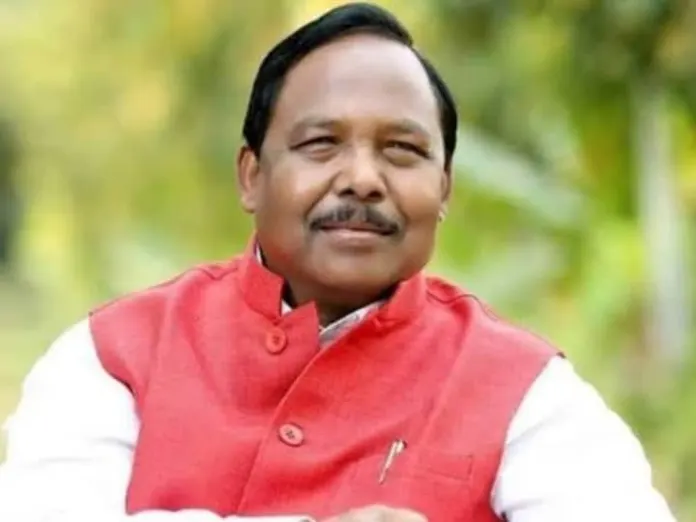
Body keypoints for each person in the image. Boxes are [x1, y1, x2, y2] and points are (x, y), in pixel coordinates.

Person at [0, 3, 677, 522]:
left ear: (443, 190)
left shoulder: (525, 389)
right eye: (321, 144)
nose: (362, 179)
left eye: (402, 151)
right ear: (252, 176)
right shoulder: (113, 357)